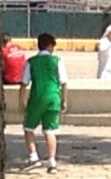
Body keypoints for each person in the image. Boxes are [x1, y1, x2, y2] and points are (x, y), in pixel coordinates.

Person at [20, 32, 68, 175]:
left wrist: (21, 101)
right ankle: (52, 161)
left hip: (37, 97)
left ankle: (33, 156)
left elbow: (24, 83)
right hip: (53, 97)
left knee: (28, 128)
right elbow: (64, 82)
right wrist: (64, 99)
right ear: (50, 45)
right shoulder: (57, 61)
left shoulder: (31, 62)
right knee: (50, 130)